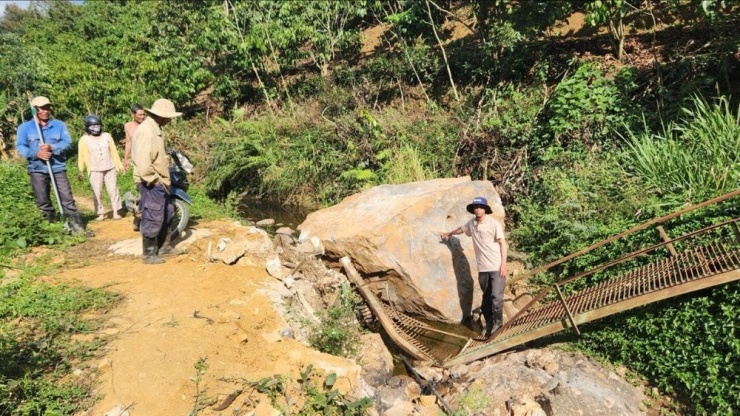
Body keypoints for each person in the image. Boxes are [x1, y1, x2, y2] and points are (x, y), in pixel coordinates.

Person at [15, 96, 93, 237]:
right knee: (43, 200)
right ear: (34, 110)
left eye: (48, 108)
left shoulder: (59, 125)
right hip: (37, 169)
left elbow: (67, 142)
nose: (46, 111)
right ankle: (51, 230)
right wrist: (36, 154)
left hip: (57, 167)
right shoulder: (24, 128)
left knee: (67, 198)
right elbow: (20, 146)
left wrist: (52, 147)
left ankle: (77, 228)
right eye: (42, 108)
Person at [440, 196, 508, 341]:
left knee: (496, 296)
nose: (478, 209)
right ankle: (489, 326)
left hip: (496, 267)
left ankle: (498, 325)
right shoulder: (472, 223)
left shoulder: (493, 224)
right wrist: (448, 234)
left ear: (485, 209)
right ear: (473, 210)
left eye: (480, 207)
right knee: (486, 301)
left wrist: (503, 265)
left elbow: (503, 244)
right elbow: (461, 229)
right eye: (476, 207)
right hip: (483, 269)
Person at [131, 98, 181, 264]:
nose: (171, 120)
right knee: (153, 214)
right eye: (169, 117)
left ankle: (163, 246)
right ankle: (149, 253)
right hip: (151, 181)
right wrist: (154, 180)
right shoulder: (147, 130)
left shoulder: (154, 128)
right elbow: (143, 160)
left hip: (159, 180)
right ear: (163, 116)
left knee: (167, 212)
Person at [77, 115, 124, 221]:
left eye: (97, 125)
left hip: (110, 167)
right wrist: (81, 170)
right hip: (94, 169)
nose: (95, 127)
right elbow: (81, 156)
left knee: (113, 190)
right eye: (92, 125)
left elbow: (113, 151)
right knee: (96, 191)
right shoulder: (84, 140)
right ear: (88, 127)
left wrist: (119, 165)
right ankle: (100, 213)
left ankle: (116, 211)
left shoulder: (107, 136)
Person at [123, 103, 145, 172]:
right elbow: (128, 142)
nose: (142, 117)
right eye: (140, 115)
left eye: (143, 114)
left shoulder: (147, 125)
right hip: (136, 158)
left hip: (147, 158)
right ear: (133, 114)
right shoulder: (128, 126)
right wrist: (125, 159)